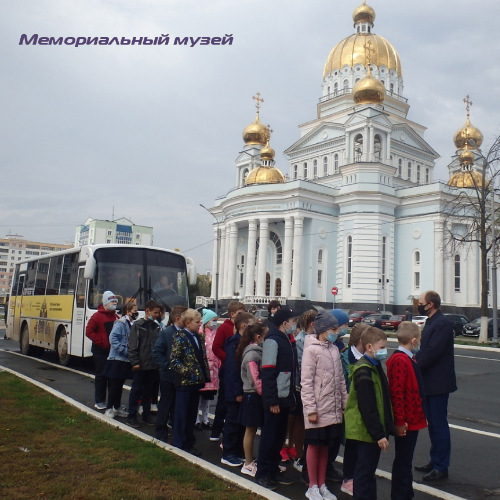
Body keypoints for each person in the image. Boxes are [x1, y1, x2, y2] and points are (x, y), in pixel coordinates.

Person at [301, 311, 347, 500]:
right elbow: (306, 382)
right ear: (322, 329)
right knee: (314, 445)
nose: (337, 332)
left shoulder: (334, 349)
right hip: (318, 409)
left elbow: (340, 380)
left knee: (326, 447)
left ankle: (322, 484)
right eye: (334, 329)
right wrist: (311, 409)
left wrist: (345, 403)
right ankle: (312, 485)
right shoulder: (311, 350)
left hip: (332, 409)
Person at [344, 327, 393, 500]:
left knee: (368, 474)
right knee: (363, 475)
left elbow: (383, 399)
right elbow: (368, 406)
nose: (384, 351)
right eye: (382, 348)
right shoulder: (364, 370)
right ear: (370, 347)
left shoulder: (374, 365)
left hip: (369, 431)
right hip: (364, 432)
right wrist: (379, 434)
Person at [415, 290, 456, 481]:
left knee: (439, 425)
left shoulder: (442, 324)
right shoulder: (432, 322)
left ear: (430, 304)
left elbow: (432, 352)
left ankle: (441, 466)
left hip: (438, 383)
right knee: (432, 425)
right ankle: (435, 460)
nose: (419, 304)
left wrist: (413, 363)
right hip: (430, 382)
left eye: (421, 302)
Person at [255, 308, 297, 490]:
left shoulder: (284, 338)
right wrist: (272, 400)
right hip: (276, 400)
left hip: (285, 396)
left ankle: (272, 470)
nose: (294, 324)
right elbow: (268, 371)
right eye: (293, 320)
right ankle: (263, 473)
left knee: (279, 437)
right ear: (284, 322)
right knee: (269, 437)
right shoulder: (272, 340)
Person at [387, 321, 427, 500]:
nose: (419, 342)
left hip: (411, 419)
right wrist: (400, 421)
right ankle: (400, 495)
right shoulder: (400, 360)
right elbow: (397, 393)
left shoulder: (407, 358)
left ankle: (406, 493)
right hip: (406, 421)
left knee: (406, 460)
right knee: (403, 461)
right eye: (419, 339)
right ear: (413, 340)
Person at [170, 308, 211, 456]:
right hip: (185, 382)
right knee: (182, 413)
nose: (200, 324)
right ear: (187, 323)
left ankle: (189, 442)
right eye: (197, 322)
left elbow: (202, 358)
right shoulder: (180, 336)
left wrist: (203, 374)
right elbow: (175, 360)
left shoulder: (199, 337)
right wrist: (187, 372)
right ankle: (179, 443)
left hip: (196, 381)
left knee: (192, 413)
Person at [339, 322, 369, 496]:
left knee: (362, 444)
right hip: (350, 407)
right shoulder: (345, 358)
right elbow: (342, 381)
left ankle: (357, 475)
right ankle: (348, 478)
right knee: (351, 443)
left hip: (364, 407)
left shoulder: (368, 356)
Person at [221, 311, 255, 467]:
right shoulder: (233, 343)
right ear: (244, 325)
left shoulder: (245, 342)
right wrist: (237, 392)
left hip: (244, 389)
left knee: (242, 422)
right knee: (232, 422)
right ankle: (228, 453)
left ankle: (238, 451)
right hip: (236, 390)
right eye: (252, 325)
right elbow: (232, 370)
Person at [210, 300, 246, 441]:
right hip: (227, 368)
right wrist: (229, 358)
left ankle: (229, 433)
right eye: (239, 313)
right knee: (223, 401)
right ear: (232, 314)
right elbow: (216, 347)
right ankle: (216, 430)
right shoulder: (224, 328)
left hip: (239, 368)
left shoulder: (243, 329)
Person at [153, 305, 187, 442]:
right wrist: (167, 367)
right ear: (178, 319)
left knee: (177, 405)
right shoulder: (166, 333)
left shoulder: (186, 333)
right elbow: (156, 352)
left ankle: (175, 427)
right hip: (169, 376)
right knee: (166, 403)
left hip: (181, 376)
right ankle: (161, 429)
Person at [237, 322, 268, 477]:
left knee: (254, 429)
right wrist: (266, 393)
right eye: (265, 335)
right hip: (252, 396)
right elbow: (255, 379)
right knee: (250, 430)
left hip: (255, 396)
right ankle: (248, 463)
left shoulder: (257, 352)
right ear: (258, 337)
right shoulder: (252, 354)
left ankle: (252, 461)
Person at [126, 300, 161, 429]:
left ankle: (146, 415)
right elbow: (133, 345)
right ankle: (131, 416)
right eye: (155, 312)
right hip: (140, 365)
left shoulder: (156, 326)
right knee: (136, 391)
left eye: (158, 313)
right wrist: (135, 361)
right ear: (147, 311)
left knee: (149, 391)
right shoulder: (138, 325)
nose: (157, 315)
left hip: (152, 365)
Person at [292, 310, 317, 476]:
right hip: (302, 387)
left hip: (306, 386)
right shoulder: (301, 341)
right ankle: (300, 456)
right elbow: (302, 365)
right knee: (301, 421)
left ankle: (302, 454)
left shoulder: (310, 339)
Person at [85, 291, 119, 410]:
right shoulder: (97, 316)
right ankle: (99, 401)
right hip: (100, 351)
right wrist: (101, 342)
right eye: (112, 301)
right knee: (101, 376)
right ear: (106, 302)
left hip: (112, 351)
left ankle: (112, 403)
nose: (114, 303)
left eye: (115, 301)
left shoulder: (116, 316)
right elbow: (89, 331)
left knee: (112, 377)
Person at [103, 301, 137, 419]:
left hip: (126, 360)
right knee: (114, 385)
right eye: (134, 311)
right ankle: (109, 408)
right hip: (117, 358)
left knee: (120, 384)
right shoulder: (121, 323)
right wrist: (123, 350)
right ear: (128, 312)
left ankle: (116, 407)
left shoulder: (133, 324)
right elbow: (113, 338)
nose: (136, 313)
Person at [196, 309, 220, 430]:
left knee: (207, 397)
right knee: (198, 396)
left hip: (213, 370)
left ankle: (205, 419)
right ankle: (196, 419)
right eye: (213, 320)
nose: (215, 323)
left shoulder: (215, 333)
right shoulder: (200, 333)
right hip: (203, 368)